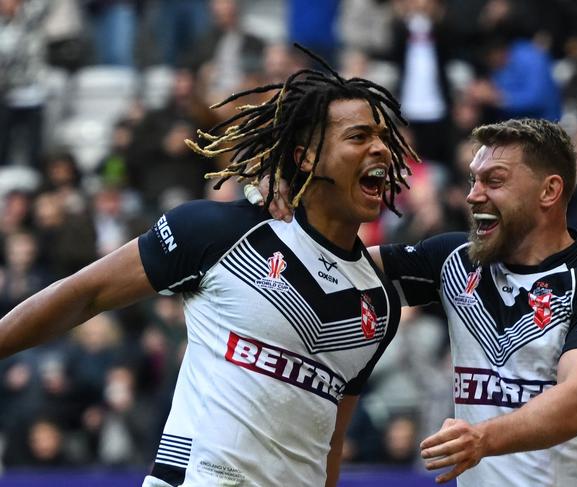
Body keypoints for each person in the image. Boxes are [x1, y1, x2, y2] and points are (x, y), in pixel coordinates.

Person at [0, 46, 419, 486]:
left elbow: (328, 446)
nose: (381, 149)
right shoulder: (218, 232)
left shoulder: (377, 301)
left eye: (383, 136)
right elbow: (84, 294)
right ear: (306, 158)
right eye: (358, 136)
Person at [254, 117, 577, 485]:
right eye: (472, 181)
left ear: (549, 190)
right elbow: (335, 265)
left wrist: (482, 438)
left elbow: (576, 404)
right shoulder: (454, 261)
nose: (474, 196)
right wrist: (295, 194)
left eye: (494, 181)